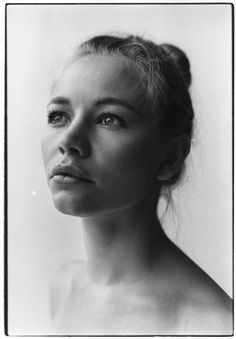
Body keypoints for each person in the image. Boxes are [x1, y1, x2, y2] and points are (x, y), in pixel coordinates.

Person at [41, 34, 232, 335]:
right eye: (58, 116)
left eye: (108, 119)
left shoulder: (212, 325)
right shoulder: (64, 286)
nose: (68, 141)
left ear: (170, 158)